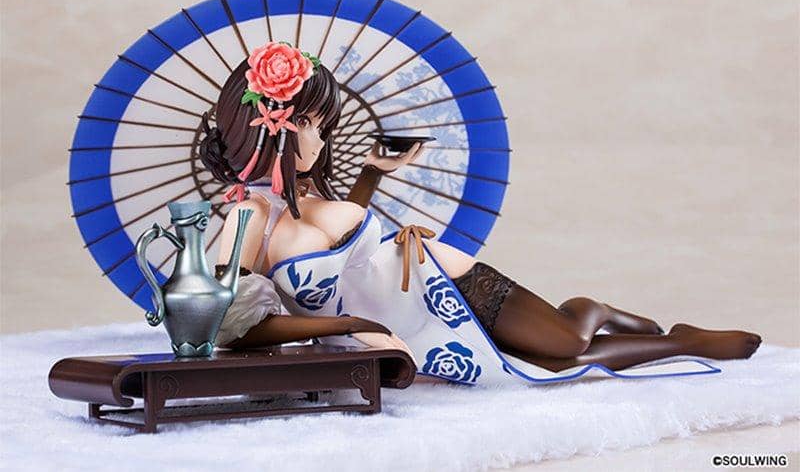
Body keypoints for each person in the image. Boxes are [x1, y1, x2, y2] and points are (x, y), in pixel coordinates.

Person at [202, 41, 761, 385]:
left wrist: (372, 173)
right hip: (399, 323)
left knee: (566, 347)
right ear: (268, 125)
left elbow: (348, 253)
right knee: (555, 365)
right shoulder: (248, 219)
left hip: (440, 276)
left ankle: (652, 330)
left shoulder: (307, 195)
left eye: (324, 126)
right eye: (311, 124)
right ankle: (654, 332)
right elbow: (230, 327)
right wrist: (353, 327)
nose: (321, 140)